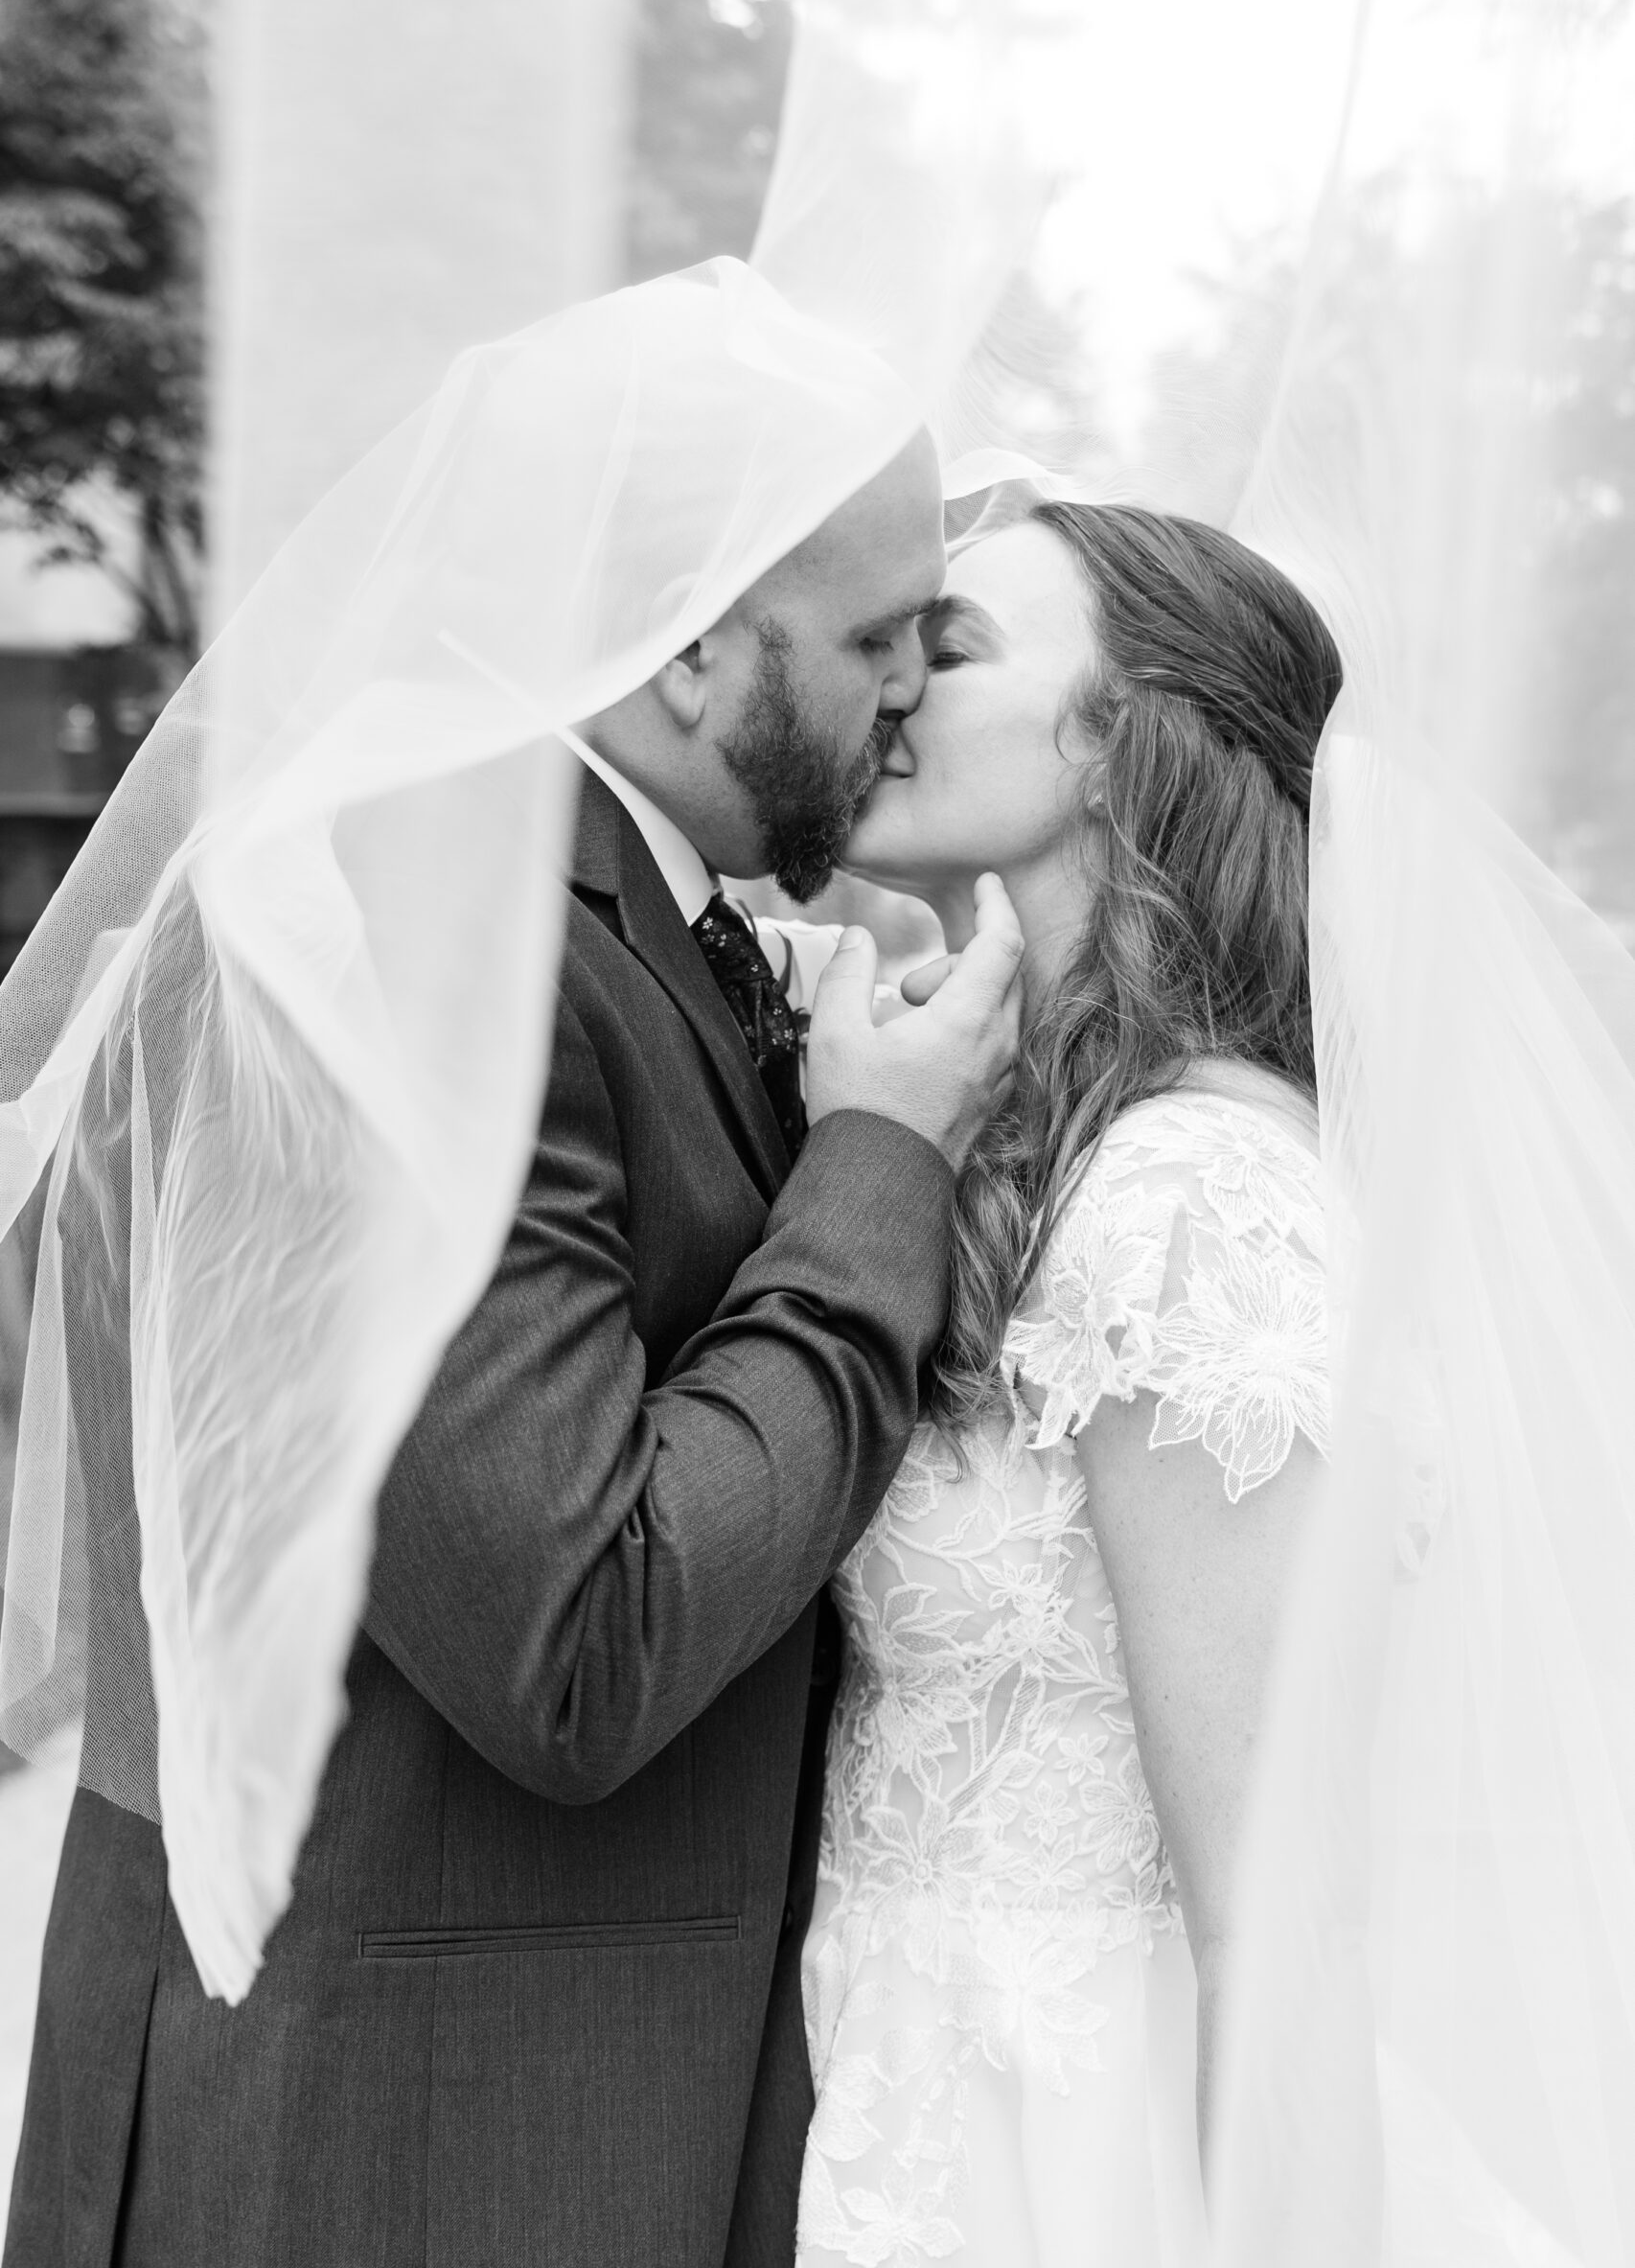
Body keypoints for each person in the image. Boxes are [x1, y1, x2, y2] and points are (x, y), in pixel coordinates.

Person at [4, 416, 1025, 2268]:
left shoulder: (576, 903)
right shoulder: (424, 923)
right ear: (687, 643)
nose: (905, 691)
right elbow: (577, 1633)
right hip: (396, 2150)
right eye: (878, 635)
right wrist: (878, 1165)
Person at [792, 498, 1344, 2264]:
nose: (882, 688)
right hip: (898, 2108)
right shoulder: (1011, 1117)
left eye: (941, 651)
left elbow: (1266, 1905)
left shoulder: (1187, 1200)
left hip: (1073, 2165)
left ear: (1115, 742)